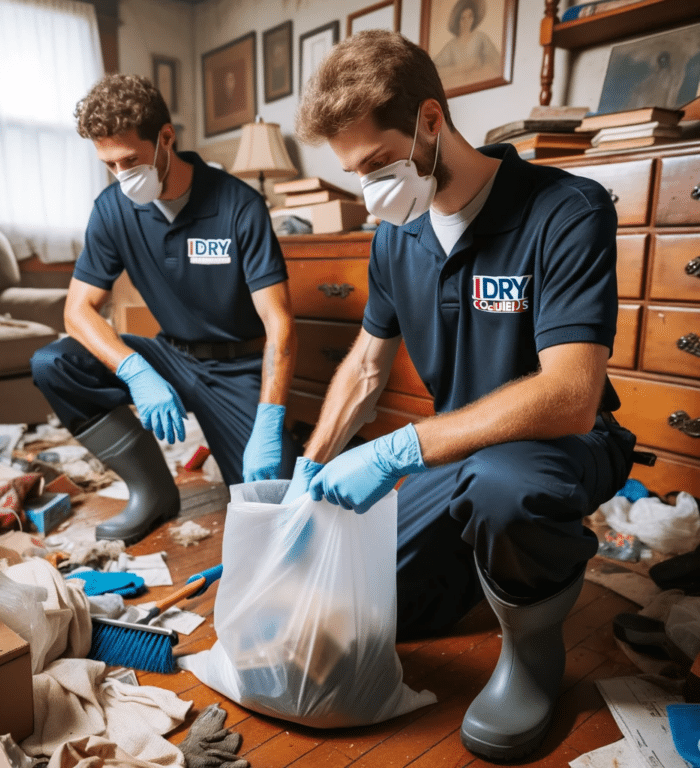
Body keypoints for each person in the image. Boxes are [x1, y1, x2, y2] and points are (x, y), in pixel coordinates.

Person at [289, 30, 636, 762]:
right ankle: (490, 567)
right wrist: (308, 473)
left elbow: (572, 394)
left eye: (379, 161)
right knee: (349, 610)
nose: (371, 186)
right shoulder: (397, 236)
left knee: (503, 490)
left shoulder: (564, 210)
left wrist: (396, 448)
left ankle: (533, 652)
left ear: (431, 121)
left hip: (559, 446)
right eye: (354, 173)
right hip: (456, 452)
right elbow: (363, 368)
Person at [31, 73, 298, 545]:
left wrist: (270, 419)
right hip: (169, 357)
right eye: (109, 164)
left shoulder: (239, 206)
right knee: (54, 362)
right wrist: (136, 370)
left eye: (130, 159)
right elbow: (78, 311)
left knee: (278, 514)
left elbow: (279, 323)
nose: (121, 174)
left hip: (238, 368)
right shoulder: (112, 209)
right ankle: (152, 493)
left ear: (166, 139)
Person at [433, 0, 500, 89]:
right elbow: (434, 68)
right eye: (463, 18)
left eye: (470, 16)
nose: (467, 21)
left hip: (481, 86)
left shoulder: (481, 38)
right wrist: (459, 68)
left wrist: (481, 63)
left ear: (474, 18)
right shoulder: (451, 46)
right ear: (457, 20)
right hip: (459, 88)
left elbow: (497, 60)